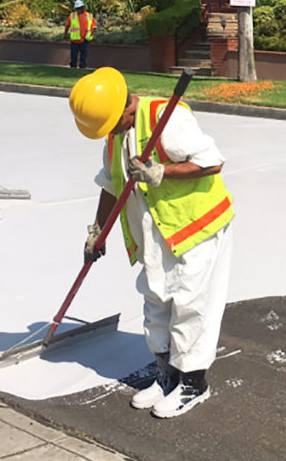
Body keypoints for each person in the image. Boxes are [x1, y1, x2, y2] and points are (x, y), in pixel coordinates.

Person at [69, 67, 235, 419]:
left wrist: (162, 172)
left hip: (195, 227)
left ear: (126, 108)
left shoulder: (166, 118)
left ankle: (192, 382)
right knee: (155, 297)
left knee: (190, 303)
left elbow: (212, 161)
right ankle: (167, 373)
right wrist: (98, 230)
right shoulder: (115, 134)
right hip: (156, 232)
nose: (109, 133)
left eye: (111, 125)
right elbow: (111, 184)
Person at [63, 0, 97, 69]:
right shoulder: (72, 16)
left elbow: (93, 26)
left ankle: (82, 67)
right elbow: (67, 25)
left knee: (84, 55)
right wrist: (65, 34)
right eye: (77, 9)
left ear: (83, 7)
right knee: (73, 55)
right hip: (75, 40)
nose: (78, 10)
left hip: (85, 39)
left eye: (79, 8)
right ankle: (73, 67)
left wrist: (91, 34)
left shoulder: (89, 16)